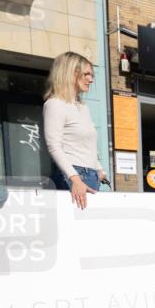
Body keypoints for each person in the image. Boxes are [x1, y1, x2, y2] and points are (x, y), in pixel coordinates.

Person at [43, 51, 107, 209]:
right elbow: (54, 146)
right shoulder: (55, 104)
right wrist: (75, 179)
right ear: (70, 73)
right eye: (86, 74)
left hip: (91, 175)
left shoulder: (82, 107)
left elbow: (88, 145)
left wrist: (99, 169)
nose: (91, 79)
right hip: (72, 175)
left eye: (92, 75)